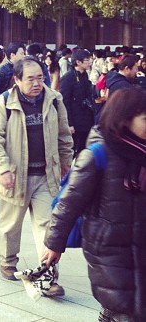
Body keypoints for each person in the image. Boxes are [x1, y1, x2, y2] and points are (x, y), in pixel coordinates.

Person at [42, 88, 146, 322]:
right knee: (122, 303)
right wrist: (54, 244)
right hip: (107, 248)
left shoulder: (142, 152)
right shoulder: (98, 154)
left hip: (140, 243)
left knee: (132, 307)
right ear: (124, 120)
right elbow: (68, 203)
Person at [0, 56, 73, 293]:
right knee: (10, 225)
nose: (36, 83)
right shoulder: (3, 103)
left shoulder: (54, 100)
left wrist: (66, 163)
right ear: (17, 80)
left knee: (47, 225)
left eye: (40, 78)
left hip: (45, 175)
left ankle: (48, 278)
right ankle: (8, 261)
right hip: (14, 176)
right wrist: (2, 168)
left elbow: (64, 135)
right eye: (30, 79)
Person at [60, 48, 96, 156]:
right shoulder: (68, 78)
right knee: (74, 150)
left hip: (86, 118)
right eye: (87, 60)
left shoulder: (84, 75)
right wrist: (69, 123)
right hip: (75, 121)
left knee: (84, 148)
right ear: (78, 62)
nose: (90, 62)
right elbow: (65, 102)